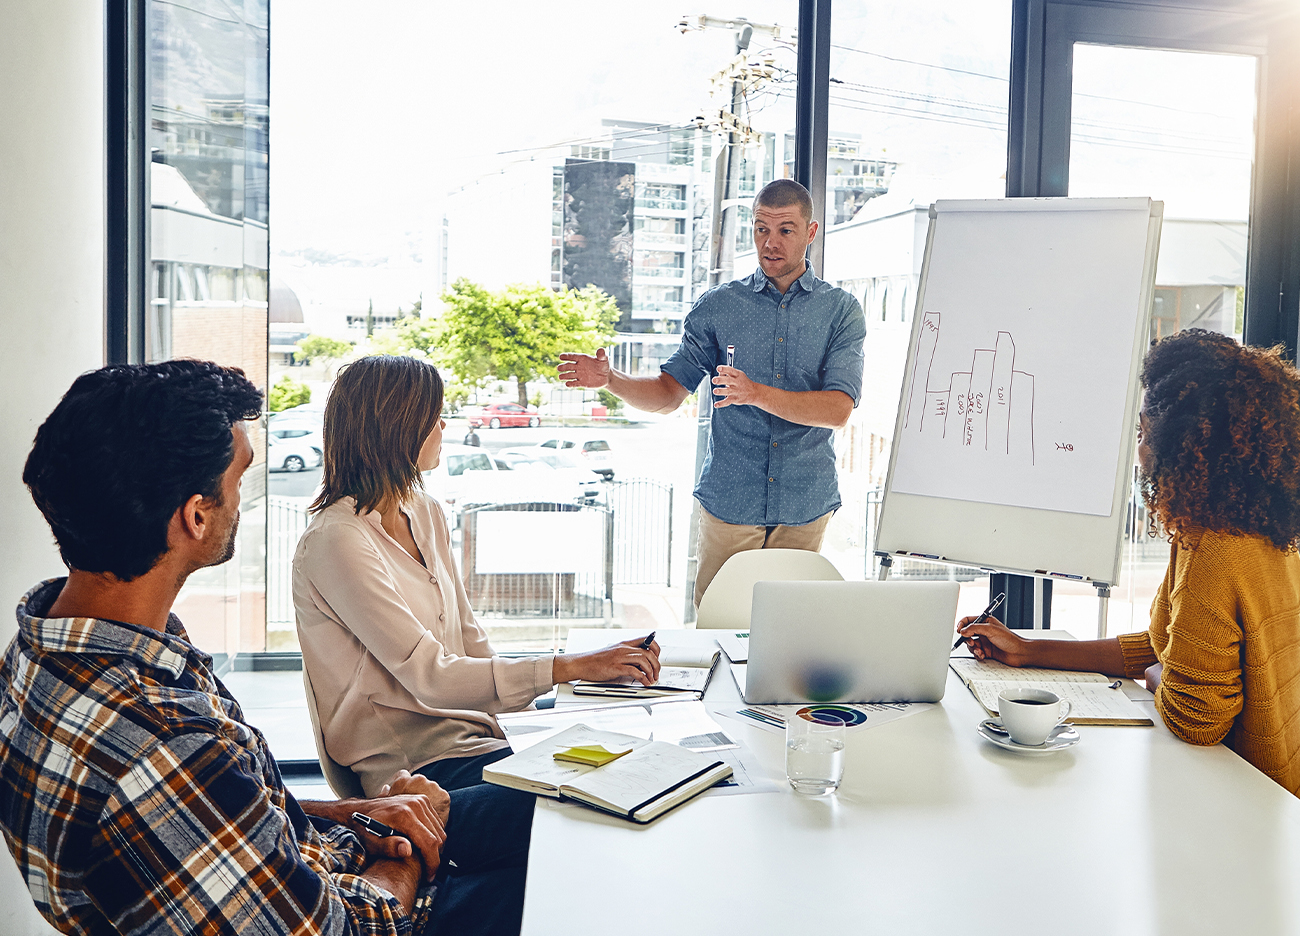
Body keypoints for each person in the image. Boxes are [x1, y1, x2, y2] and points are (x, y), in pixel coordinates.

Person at [1, 360, 492, 935]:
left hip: (310, 863)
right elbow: (340, 930)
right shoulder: (161, 739)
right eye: (240, 478)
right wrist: (394, 851)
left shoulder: (44, 650)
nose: (243, 499)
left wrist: (359, 814)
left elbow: (202, 819)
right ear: (196, 515)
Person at [290, 356, 661, 895]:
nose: (445, 428)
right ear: (397, 427)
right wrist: (571, 666)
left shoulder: (424, 509)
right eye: (435, 417)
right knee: (600, 802)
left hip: (483, 741)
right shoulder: (337, 540)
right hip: (416, 774)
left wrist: (550, 709)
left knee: (636, 756)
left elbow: (469, 640)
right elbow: (431, 677)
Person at [957, 329, 1300, 796]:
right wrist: (1028, 651)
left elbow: (1195, 718)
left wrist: (1163, 675)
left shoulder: (1215, 548)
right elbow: (1169, 646)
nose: (1137, 452)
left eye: (1143, 434)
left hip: (1250, 796)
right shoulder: (1257, 528)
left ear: (1182, 446)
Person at [558, 178, 866, 606]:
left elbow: (837, 409)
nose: (770, 242)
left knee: (792, 637)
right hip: (730, 501)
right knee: (719, 629)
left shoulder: (840, 311)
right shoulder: (719, 306)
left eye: (785, 230)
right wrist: (612, 379)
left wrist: (754, 392)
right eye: (761, 228)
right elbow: (668, 394)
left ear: (810, 233)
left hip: (805, 503)